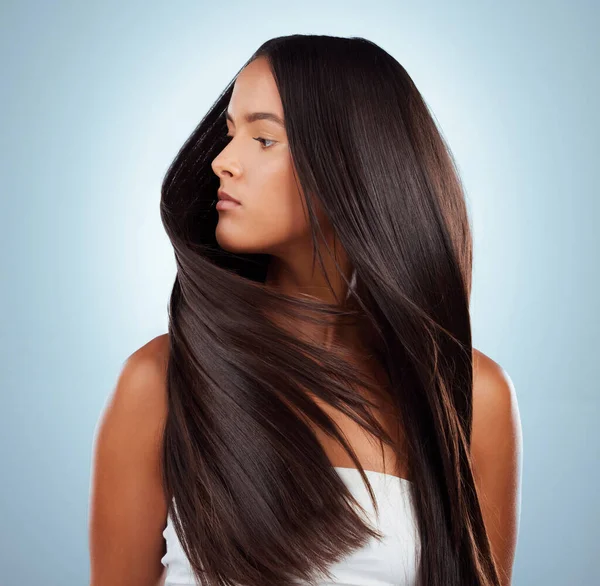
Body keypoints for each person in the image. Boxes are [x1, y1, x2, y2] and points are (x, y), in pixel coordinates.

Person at [88, 34, 522, 586]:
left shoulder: (468, 396)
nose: (223, 161)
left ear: (352, 163)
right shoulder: (162, 383)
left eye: (264, 139)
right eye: (229, 133)